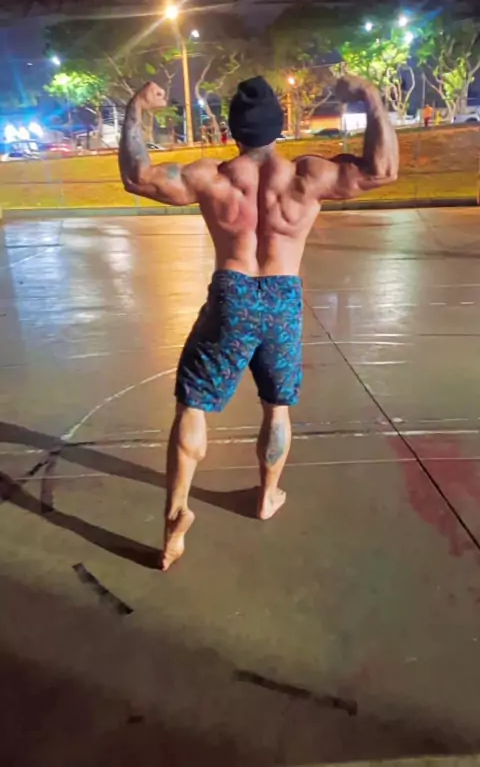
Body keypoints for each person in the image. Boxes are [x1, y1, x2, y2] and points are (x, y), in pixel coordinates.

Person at [119, 74, 398, 570]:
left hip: (233, 293)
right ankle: (267, 496)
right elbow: (382, 170)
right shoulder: (307, 176)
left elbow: (138, 177)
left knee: (194, 404)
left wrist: (134, 110)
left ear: (233, 130)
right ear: (279, 125)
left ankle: (176, 516)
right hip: (282, 297)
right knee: (276, 406)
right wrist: (372, 100)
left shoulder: (213, 176)